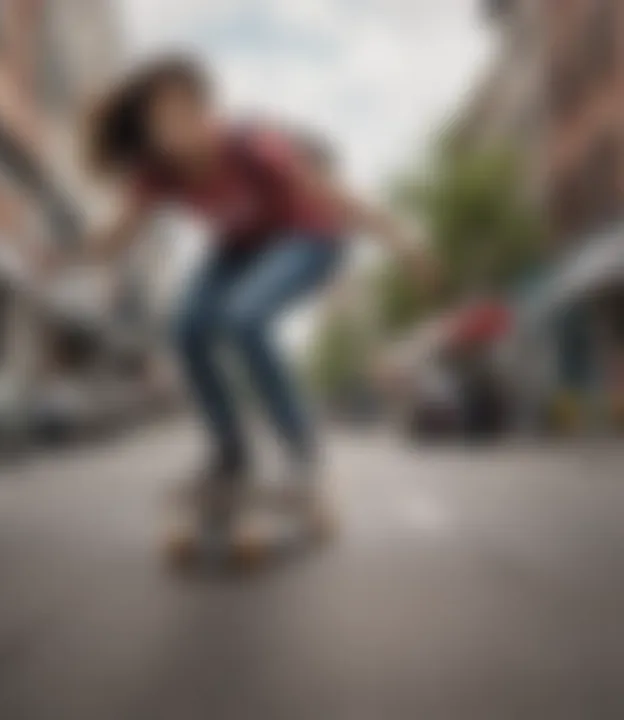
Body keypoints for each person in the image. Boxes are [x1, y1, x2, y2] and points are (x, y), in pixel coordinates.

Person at [47, 54, 433, 503]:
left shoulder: (251, 144)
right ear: (149, 133)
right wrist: (67, 256)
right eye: (163, 125)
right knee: (186, 329)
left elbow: (332, 194)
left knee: (244, 319)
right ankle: (231, 456)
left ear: (206, 112)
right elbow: (117, 236)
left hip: (309, 236)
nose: (178, 134)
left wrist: (404, 240)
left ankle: (301, 451)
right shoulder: (158, 172)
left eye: (186, 117)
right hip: (240, 250)